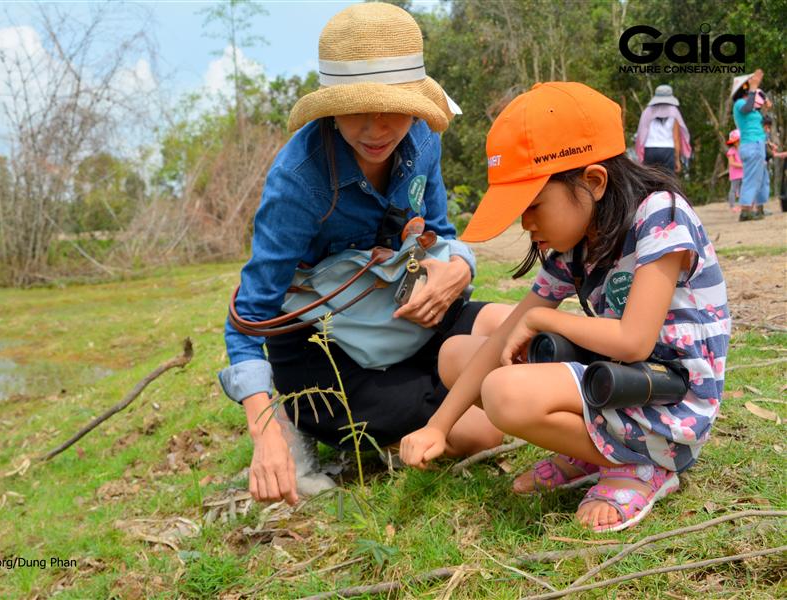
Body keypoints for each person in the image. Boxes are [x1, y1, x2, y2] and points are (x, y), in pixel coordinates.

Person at [400, 82, 729, 533]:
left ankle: (639, 466)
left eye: (533, 205)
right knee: (456, 355)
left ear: (593, 182)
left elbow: (635, 341)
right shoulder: (573, 248)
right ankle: (594, 450)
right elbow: (503, 337)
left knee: (504, 393)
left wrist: (542, 318)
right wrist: (437, 427)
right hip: (616, 381)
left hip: (670, 405)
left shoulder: (660, 215)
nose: (526, 223)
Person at [220, 3, 504, 506]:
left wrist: (459, 269)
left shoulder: (423, 138)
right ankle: (309, 423)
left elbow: (440, 233)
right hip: (325, 348)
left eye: (392, 107)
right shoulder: (299, 181)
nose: (376, 129)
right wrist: (265, 430)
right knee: (484, 431)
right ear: (331, 107)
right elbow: (248, 318)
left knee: (508, 327)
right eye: (357, 110)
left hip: (401, 313)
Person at [732, 69, 772, 221]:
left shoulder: (752, 108)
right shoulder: (739, 103)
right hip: (751, 145)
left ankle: (759, 208)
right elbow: (747, 107)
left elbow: (760, 119)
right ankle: (745, 211)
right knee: (751, 178)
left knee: (762, 177)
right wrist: (753, 87)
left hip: (757, 144)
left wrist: (765, 106)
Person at [635, 84, 692, 175]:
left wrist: (641, 155)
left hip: (650, 149)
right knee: (668, 179)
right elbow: (676, 139)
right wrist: (677, 160)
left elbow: (641, 134)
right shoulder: (674, 111)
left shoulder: (648, 111)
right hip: (667, 150)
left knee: (650, 179)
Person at [725, 129, 743, 212]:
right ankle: (732, 206)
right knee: (733, 190)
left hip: (743, 173)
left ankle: (741, 205)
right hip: (735, 174)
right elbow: (731, 163)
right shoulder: (731, 151)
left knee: (742, 190)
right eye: (735, 141)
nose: (737, 142)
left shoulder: (742, 150)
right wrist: (743, 165)